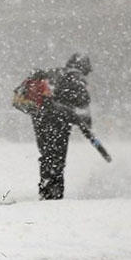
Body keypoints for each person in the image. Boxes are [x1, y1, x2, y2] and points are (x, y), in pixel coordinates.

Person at [30, 53, 92, 200]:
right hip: (58, 124)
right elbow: (82, 101)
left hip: (40, 120)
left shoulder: (55, 74)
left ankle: (46, 188)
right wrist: (84, 122)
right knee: (57, 157)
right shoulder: (75, 78)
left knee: (47, 155)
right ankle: (53, 192)